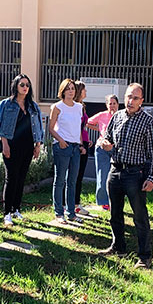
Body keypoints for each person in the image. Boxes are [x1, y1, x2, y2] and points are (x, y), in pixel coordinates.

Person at [98, 83, 153, 268]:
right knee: (115, 213)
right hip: (115, 170)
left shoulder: (147, 121)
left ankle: (145, 256)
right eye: (128, 97)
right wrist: (105, 143)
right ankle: (119, 246)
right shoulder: (116, 116)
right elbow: (105, 137)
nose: (130, 101)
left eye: (134, 98)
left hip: (135, 174)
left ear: (141, 101)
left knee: (140, 216)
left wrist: (151, 178)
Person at [0, 74, 43, 226]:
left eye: (27, 85)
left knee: (21, 178)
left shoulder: (33, 106)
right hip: (11, 145)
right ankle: (7, 212)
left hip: (28, 146)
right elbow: (1, 125)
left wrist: (38, 145)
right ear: (16, 86)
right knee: (11, 178)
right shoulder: (7, 104)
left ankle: (16, 209)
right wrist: (5, 144)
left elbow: (38, 127)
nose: (25, 87)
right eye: (22, 84)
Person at [49, 79, 85, 223]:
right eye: (68, 88)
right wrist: (61, 141)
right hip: (62, 147)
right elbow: (51, 128)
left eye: (73, 88)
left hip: (75, 147)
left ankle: (71, 212)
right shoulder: (57, 107)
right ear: (62, 91)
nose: (71, 91)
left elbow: (78, 128)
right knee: (60, 180)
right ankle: (59, 212)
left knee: (72, 181)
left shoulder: (78, 107)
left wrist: (81, 144)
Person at [87, 94, 119, 210]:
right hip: (101, 149)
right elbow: (87, 122)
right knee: (103, 176)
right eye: (110, 104)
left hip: (116, 149)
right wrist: (99, 128)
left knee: (117, 177)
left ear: (117, 104)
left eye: (114, 103)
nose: (112, 106)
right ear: (106, 105)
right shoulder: (102, 115)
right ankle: (103, 202)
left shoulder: (122, 116)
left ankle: (115, 201)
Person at [72, 80, 92, 216]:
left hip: (84, 141)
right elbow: (77, 127)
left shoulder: (82, 106)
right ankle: (74, 204)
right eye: (84, 90)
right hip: (78, 143)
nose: (86, 92)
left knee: (79, 175)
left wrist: (87, 140)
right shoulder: (75, 107)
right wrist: (80, 144)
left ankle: (76, 203)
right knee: (76, 175)